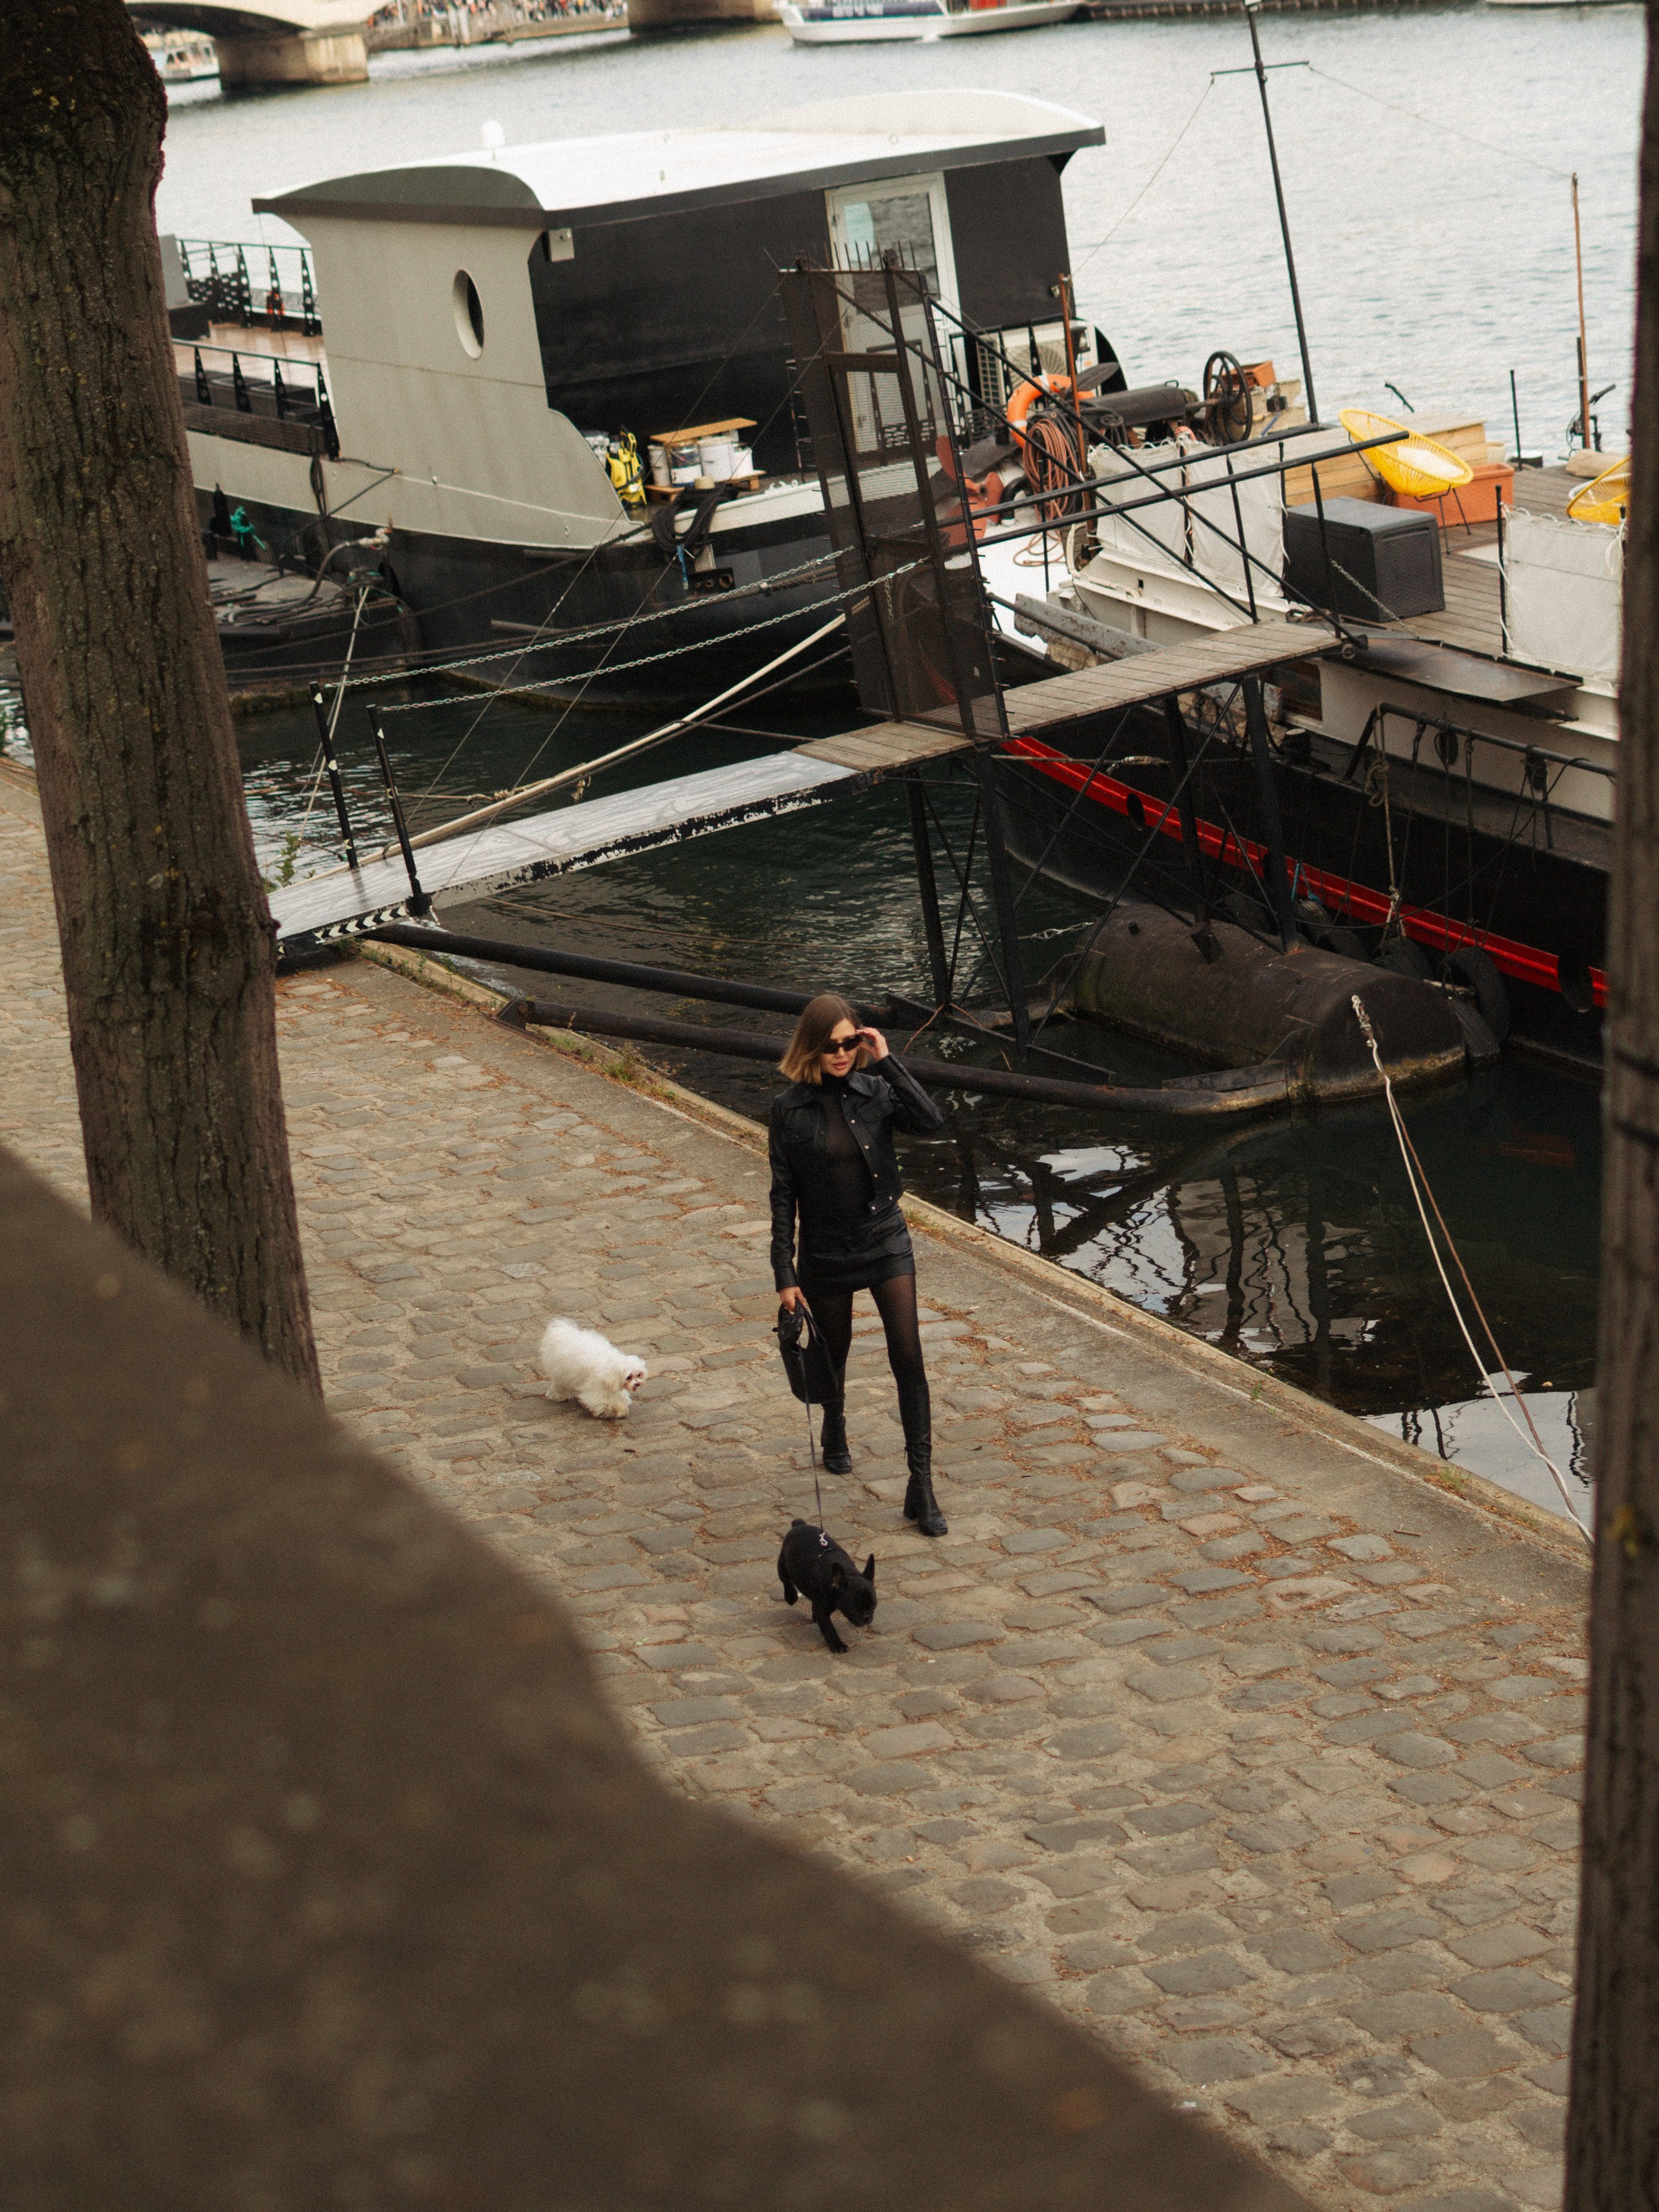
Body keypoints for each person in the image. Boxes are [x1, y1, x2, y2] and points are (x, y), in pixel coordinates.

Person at [770, 994, 949, 1537]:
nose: (843, 1054)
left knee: (908, 1356)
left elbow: (932, 1120)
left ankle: (921, 1483)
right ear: (812, 1047)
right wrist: (785, 1272)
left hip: (884, 1237)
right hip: (825, 1247)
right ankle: (834, 1422)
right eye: (832, 1046)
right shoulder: (788, 1109)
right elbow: (783, 1194)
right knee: (834, 1352)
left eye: (851, 1043)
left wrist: (888, 1060)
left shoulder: (876, 1091)